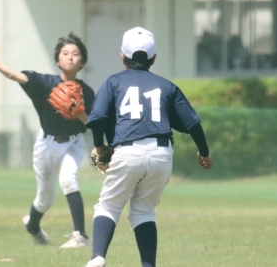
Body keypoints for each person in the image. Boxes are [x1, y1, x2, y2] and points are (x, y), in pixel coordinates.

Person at [82, 27, 213, 267]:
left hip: (127, 151)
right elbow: (193, 123)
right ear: (154, 58)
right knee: (143, 211)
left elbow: (98, 118)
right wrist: (204, 153)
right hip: (161, 154)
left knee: (109, 206)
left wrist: (99, 146)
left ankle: (98, 258)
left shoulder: (113, 82)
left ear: (122, 56)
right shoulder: (167, 86)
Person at [0, 33, 95, 248]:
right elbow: (12, 75)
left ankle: (80, 236)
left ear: (82, 62)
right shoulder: (44, 83)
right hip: (46, 144)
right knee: (45, 200)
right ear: (57, 61)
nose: (70, 57)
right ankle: (33, 226)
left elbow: (92, 126)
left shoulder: (87, 92)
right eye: (65, 53)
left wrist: (79, 113)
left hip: (73, 143)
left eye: (76, 54)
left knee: (68, 179)